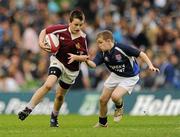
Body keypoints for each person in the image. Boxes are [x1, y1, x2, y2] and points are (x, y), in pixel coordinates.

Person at [18, 9, 90, 127]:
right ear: (69, 22)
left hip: (72, 70)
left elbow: (86, 57)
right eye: (76, 24)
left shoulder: (82, 38)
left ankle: (54, 117)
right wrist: (41, 43)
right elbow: (44, 31)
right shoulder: (61, 29)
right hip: (58, 61)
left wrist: (77, 57)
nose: (78, 27)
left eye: (80, 25)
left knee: (60, 96)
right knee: (48, 84)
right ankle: (28, 108)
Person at [85, 30, 160, 127]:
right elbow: (93, 65)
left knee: (115, 96)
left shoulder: (122, 48)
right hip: (116, 75)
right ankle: (103, 123)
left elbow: (141, 54)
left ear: (108, 41)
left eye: (100, 42)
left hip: (130, 76)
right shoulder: (102, 53)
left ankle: (119, 107)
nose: (99, 45)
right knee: (102, 99)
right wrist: (86, 60)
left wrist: (150, 66)